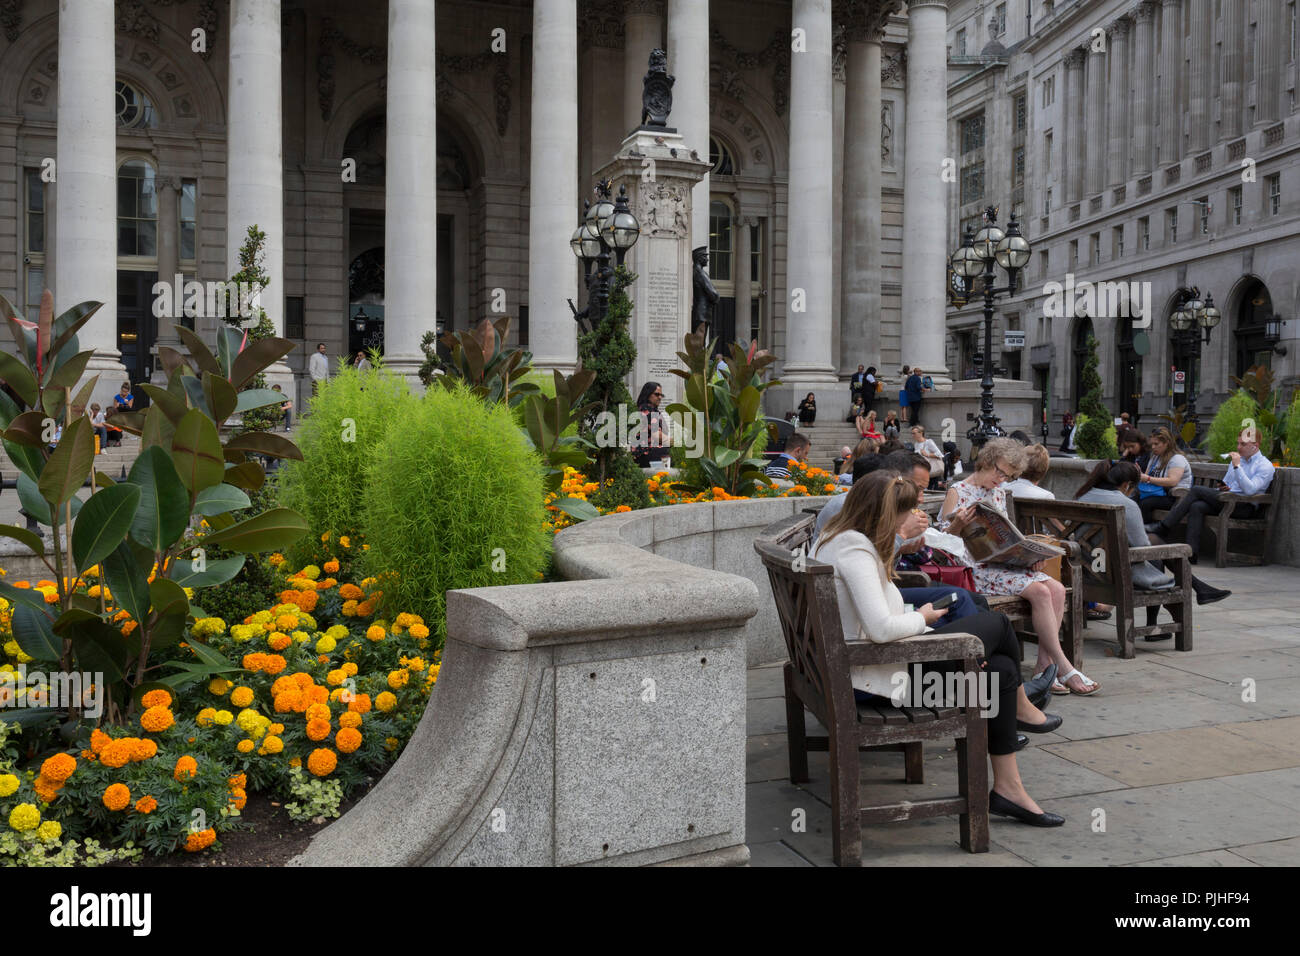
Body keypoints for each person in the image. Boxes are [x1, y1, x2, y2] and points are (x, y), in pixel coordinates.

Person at [812, 470, 1065, 827]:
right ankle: (1023, 710)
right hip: (876, 683)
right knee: (997, 625)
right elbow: (881, 629)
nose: (908, 521)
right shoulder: (855, 551)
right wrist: (923, 617)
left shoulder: (837, 538)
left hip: (865, 670)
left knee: (1002, 673)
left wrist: (915, 615)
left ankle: (1009, 789)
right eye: (904, 513)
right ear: (886, 514)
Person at [940, 438, 1100, 696]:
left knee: (1057, 589)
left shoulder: (999, 493)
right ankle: (1064, 666)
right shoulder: (957, 491)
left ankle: (1043, 666)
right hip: (975, 570)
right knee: (1040, 592)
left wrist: (1026, 555)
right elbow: (942, 545)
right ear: (987, 462)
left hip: (1001, 565)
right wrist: (957, 525)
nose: (1001, 479)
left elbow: (1004, 536)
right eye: (999, 472)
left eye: (1008, 476)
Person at [1076, 461, 1231, 627]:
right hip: (1117, 575)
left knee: (1155, 545)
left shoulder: (1082, 497)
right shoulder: (1127, 505)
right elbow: (1142, 546)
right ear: (1126, 485)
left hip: (1088, 569)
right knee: (1157, 553)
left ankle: (1200, 590)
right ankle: (1155, 623)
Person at [1146, 427, 1276, 562]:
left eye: (1243, 444)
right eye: (1238, 443)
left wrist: (1237, 467)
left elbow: (1250, 490)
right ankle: (1192, 555)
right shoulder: (1239, 460)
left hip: (1245, 507)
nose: (1238, 447)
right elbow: (1229, 483)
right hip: (1228, 499)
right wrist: (1224, 486)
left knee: (1196, 490)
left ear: (1255, 446)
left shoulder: (1265, 466)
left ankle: (1164, 527)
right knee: (1197, 506)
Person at [1136, 426, 1191, 523]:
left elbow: (1172, 481)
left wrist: (1148, 478)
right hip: (1158, 492)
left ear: (1167, 443)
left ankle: (1148, 533)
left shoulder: (1177, 459)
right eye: (1152, 444)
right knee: (1132, 498)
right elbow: (1147, 476)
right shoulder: (1155, 457)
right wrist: (1139, 474)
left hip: (1176, 496)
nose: (1153, 447)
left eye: (1156, 444)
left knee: (1145, 503)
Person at [632, 381, 673, 467]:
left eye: (661, 395)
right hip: (646, 455)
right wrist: (672, 441)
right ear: (648, 394)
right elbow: (656, 435)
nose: (660, 397)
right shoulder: (646, 409)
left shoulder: (647, 409)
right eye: (656, 394)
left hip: (645, 455)